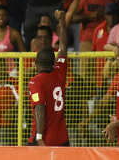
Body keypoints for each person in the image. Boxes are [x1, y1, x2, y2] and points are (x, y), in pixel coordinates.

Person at [28, 10, 69, 146]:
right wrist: (62, 21)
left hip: (45, 139)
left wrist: (39, 136)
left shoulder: (36, 81)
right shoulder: (59, 71)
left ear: (36, 64)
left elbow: (39, 107)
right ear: (53, 62)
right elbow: (63, 47)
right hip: (62, 138)